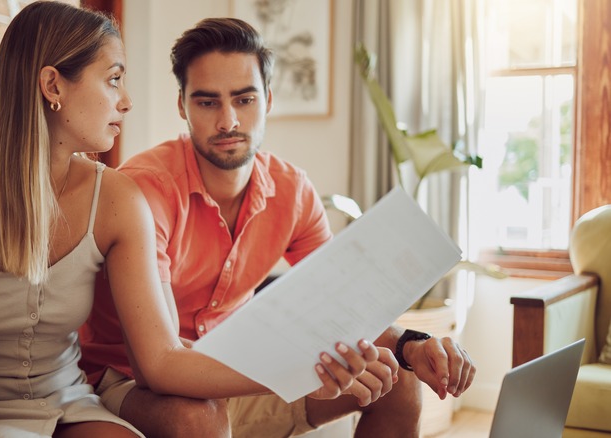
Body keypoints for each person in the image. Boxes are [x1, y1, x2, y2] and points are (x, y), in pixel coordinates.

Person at [0, 3, 377, 437]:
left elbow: (162, 361)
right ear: (52, 86)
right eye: (113, 79)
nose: (126, 101)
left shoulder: (116, 197)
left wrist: (310, 363)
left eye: (245, 99)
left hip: (68, 402)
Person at [80, 17, 477, 438]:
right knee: (196, 418)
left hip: (234, 372)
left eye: (244, 99)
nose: (228, 121)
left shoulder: (293, 192)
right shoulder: (145, 190)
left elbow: (341, 303)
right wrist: (298, 373)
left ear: (267, 99)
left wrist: (409, 345)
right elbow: (158, 368)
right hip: (127, 380)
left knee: (400, 381)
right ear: (182, 105)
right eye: (207, 102)